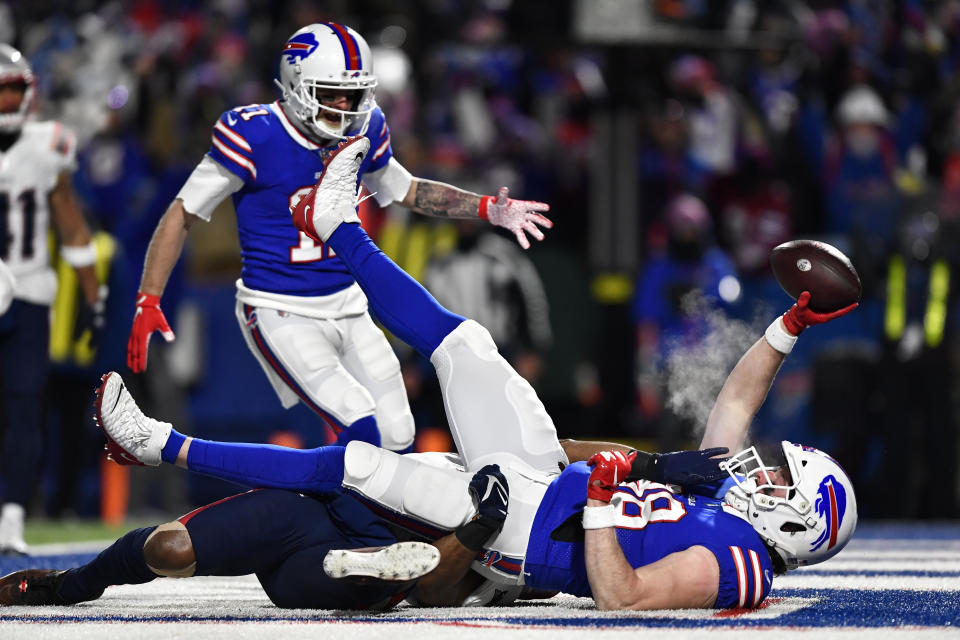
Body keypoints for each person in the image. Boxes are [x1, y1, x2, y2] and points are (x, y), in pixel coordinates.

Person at [4, 137, 857, 609]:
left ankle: (158, 443)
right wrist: (792, 321)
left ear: (799, 522)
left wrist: (598, 503)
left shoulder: (742, 560)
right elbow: (739, 400)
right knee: (466, 345)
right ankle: (341, 225)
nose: (767, 471)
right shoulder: (724, 492)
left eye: (785, 477)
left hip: (524, 536)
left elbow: (624, 597)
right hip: (538, 475)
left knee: (366, 464)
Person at [126, 22, 553, 452]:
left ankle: (358, 514)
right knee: (359, 423)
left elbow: (407, 189)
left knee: (399, 436)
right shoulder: (255, 132)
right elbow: (182, 214)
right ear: (295, 85)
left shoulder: (366, 125)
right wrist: (149, 297)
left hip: (349, 304)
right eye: (330, 93)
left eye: (352, 94)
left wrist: (485, 208)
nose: (344, 106)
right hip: (281, 308)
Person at [0, 44, 105, 555]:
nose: (4, 101)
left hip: (29, 294)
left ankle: (12, 518)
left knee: (24, 407)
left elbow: (69, 218)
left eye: (11, 89)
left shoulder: (47, 146)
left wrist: (93, 295)